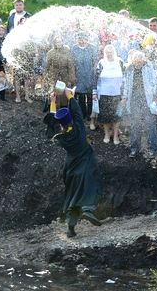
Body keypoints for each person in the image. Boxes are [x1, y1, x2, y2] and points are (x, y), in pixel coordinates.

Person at [50, 89, 102, 238]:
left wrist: (53, 102)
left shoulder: (60, 136)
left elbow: (54, 121)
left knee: (74, 196)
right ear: (72, 120)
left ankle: (71, 228)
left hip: (71, 168)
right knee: (91, 189)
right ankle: (87, 210)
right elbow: (78, 112)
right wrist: (70, 96)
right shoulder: (79, 127)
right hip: (86, 165)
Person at [122, 51, 157, 158]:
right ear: (132, 61)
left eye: (139, 61)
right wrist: (124, 97)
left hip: (147, 100)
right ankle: (134, 149)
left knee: (150, 125)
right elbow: (125, 84)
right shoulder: (129, 69)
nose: (137, 63)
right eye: (135, 61)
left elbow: (155, 81)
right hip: (134, 100)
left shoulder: (149, 68)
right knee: (135, 125)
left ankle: (152, 149)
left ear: (143, 61)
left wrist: (156, 95)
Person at [94, 44, 125, 145]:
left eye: (111, 52)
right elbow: (96, 79)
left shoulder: (120, 62)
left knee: (117, 116)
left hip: (117, 94)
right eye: (107, 52)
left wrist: (124, 96)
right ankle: (107, 134)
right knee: (105, 116)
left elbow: (125, 79)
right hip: (104, 94)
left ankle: (116, 136)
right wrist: (94, 92)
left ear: (114, 52)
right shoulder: (101, 63)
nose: (109, 54)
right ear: (104, 53)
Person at [71, 32, 97, 127]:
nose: (82, 41)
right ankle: (83, 113)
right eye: (80, 39)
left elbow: (95, 61)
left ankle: (90, 114)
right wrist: (73, 75)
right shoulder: (74, 48)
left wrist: (94, 72)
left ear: (87, 39)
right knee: (81, 95)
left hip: (89, 74)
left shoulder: (92, 47)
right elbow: (72, 63)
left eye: (84, 39)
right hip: (79, 74)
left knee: (90, 94)